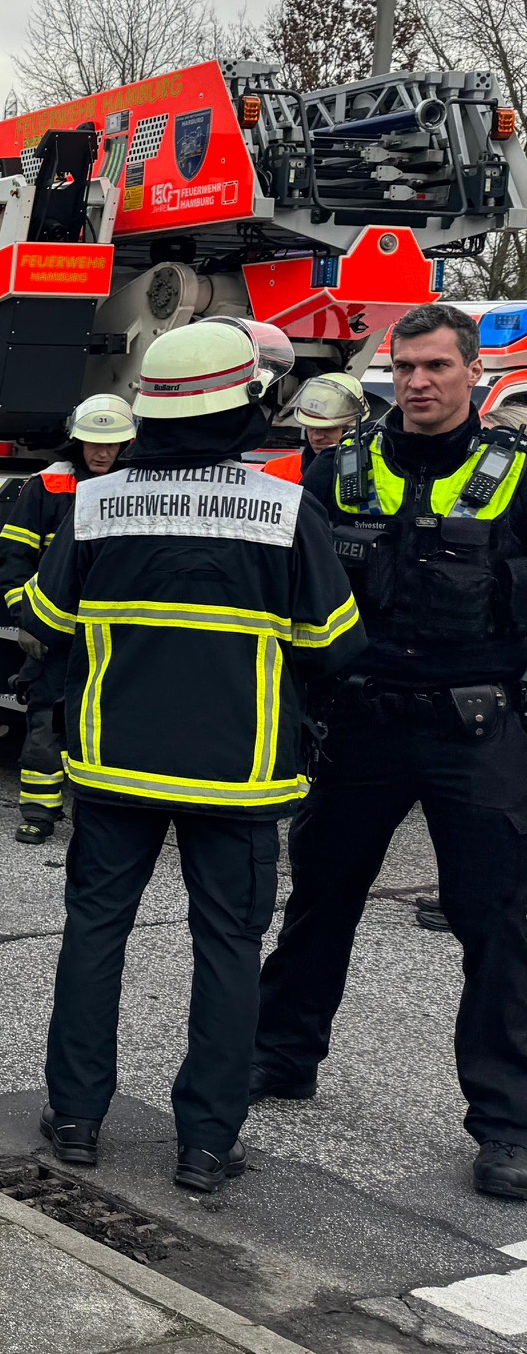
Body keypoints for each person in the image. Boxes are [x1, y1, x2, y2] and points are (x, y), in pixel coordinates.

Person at [25, 318, 362, 1194]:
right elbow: (333, 645)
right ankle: (205, 1146)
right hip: (238, 776)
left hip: (111, 765)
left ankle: (74, 1121)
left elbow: (47, 622)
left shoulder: (96, 506)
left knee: (97, 934)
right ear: (243, 403)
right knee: (227, 951)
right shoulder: (286, 510)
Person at [253, 302, 527, 1200]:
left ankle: (508, 1126)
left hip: (476, 729)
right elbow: (285, 596)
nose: (416, 383)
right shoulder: (335, 474)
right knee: (320, 898)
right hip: (361, 721)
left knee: (498, 930)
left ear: (473, 376)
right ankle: (282, 1056)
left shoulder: (519, 478)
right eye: (404, 367)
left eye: (436, 367)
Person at [0, 393, 135, 844]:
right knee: (46, 726)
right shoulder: (47, 488)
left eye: (111, 444)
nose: (101, 452)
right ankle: (39, 812)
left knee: (114, 727)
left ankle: (109, 817)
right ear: (75, 441)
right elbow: (14, 560)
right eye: (93, 442)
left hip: (118, 635)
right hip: (56, 636)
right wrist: (26, 619)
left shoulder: (138, 489)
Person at [258, 370, 366, 485]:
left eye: (327, 428)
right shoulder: (274, 471)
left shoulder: (374, 473)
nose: (316, 437)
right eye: (310, 427)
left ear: (350, 430)